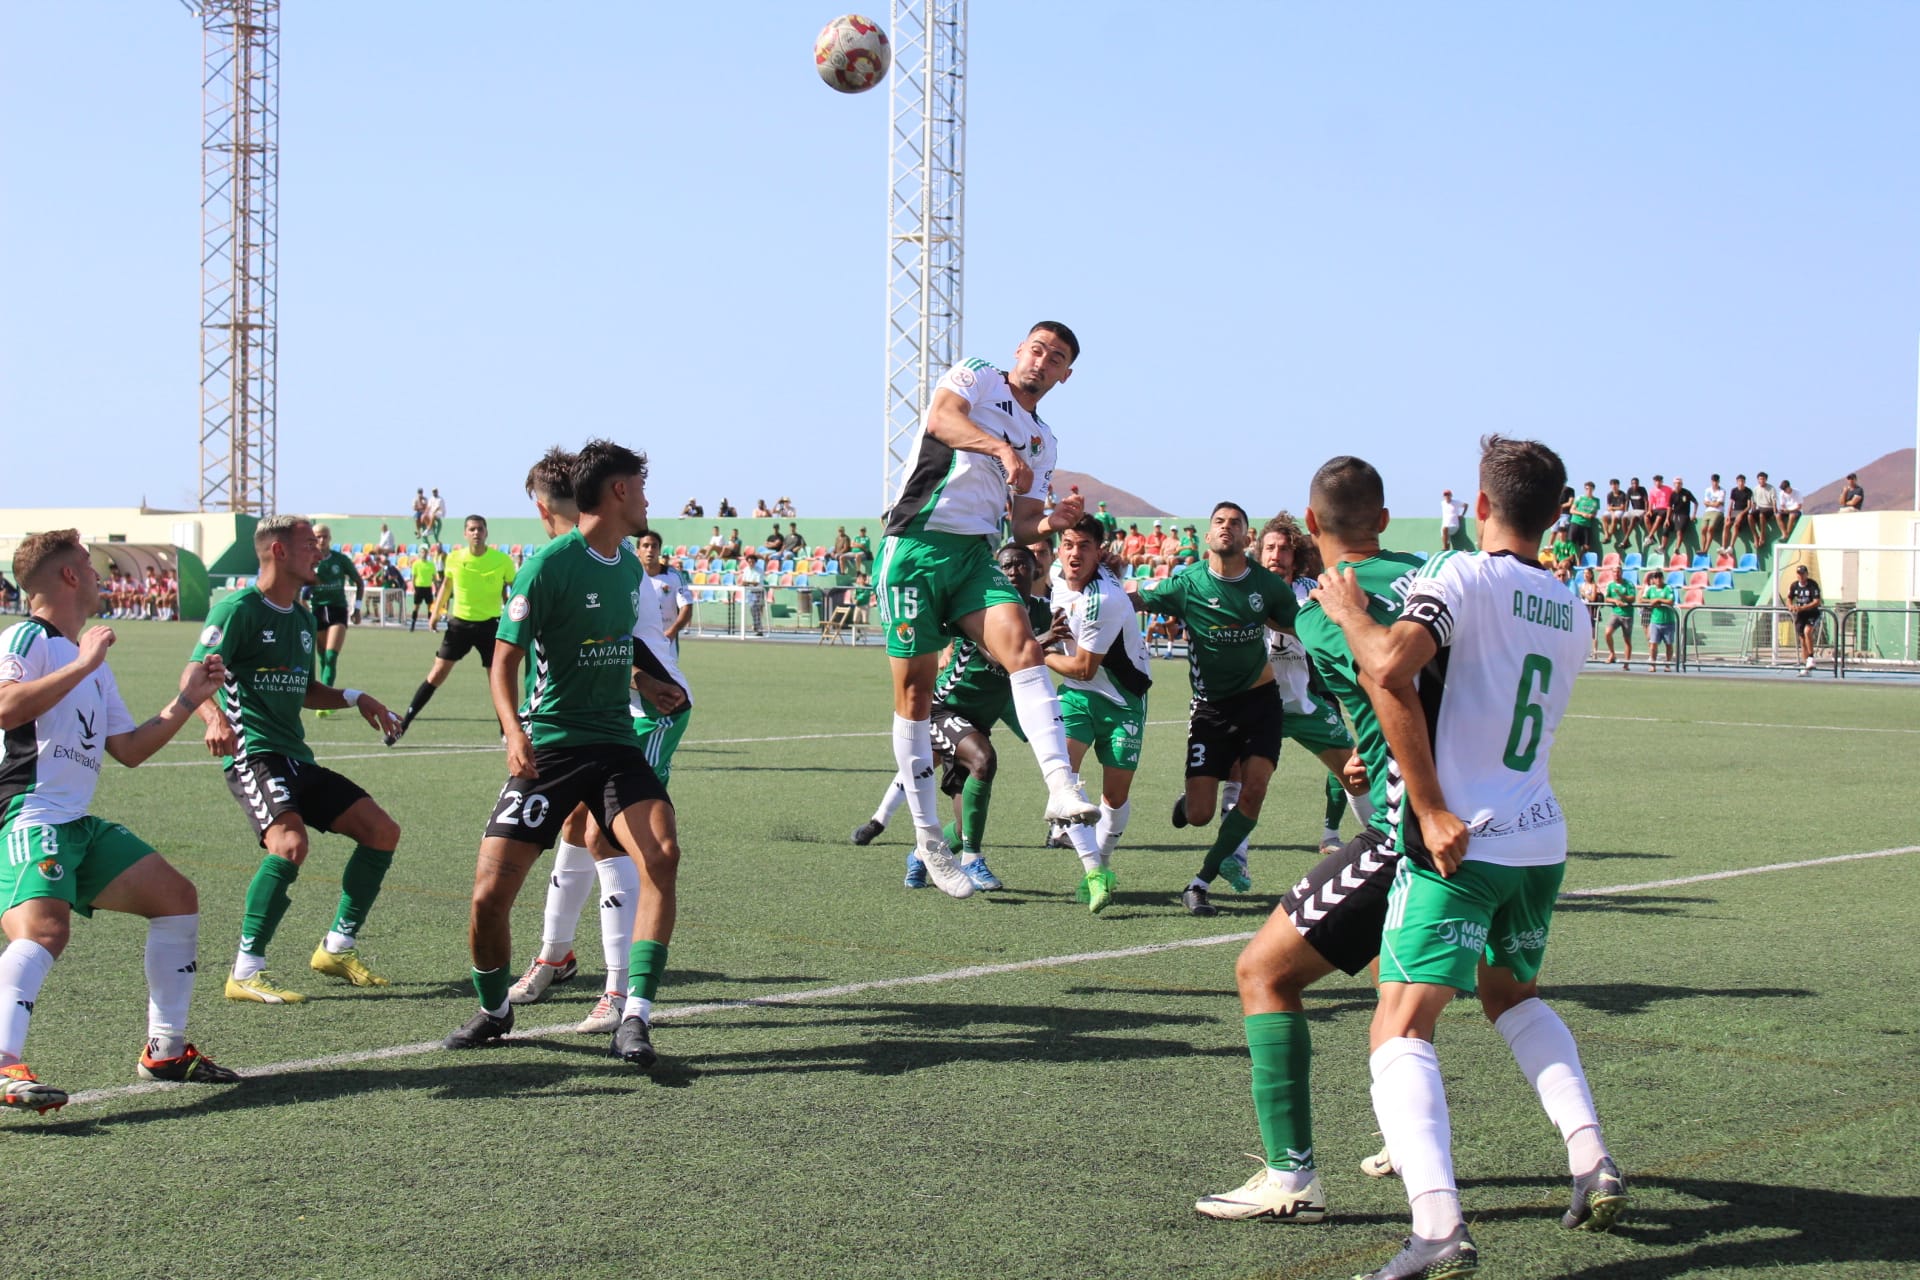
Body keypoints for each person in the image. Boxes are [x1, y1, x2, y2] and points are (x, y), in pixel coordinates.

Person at [1312, 434, 1625, 1279]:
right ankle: (1592, 1159)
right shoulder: (1573, 604)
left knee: (1397, 1024)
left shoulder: (1460, 574)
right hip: (1539, 836)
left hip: (1463, 842)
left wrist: (1347, 610)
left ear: (1480, 506)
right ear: (1557, 515)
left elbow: (1389, 666)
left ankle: (1438, 1227)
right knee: (1512, 995)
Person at [1192, 457, 1422, 1226]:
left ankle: (1293, 1177)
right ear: (1385, 520)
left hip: (1411, 827)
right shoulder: (1433, 574)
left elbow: (1386, 683)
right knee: (1451, 993)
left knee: (1262, 972)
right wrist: (1374, 744)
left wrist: (1382, 748)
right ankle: (1577, 1153)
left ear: (1311, 527)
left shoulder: (1324, 611)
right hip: (1506, 820)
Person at [445, 441, 682, 1069]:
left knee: (662, 856)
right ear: (618, 493)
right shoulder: (547, 567)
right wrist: (512, 731)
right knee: (487, 898)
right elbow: (504, 661)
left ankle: (634, 1016)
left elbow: (616, 643)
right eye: (641, 486)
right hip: (549, 746)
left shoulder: (630, 567)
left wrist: (645, 680)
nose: (650, 499)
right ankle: (494, 1010)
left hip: (614, 744)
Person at [0, 531, 243, 1114]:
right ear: (66, 577)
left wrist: (187, 700)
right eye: (89, 563)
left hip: (75, 822)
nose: (99, 573)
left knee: (177, 898)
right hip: (28, 815)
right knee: (43, 932)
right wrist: (84, 661)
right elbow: (6, 705)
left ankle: (166, 1049)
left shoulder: (93, 663)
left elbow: (129, 749)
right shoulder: (26, 636)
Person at [873, 322, 1100, 899]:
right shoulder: (975, 375)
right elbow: (940, 419)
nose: (1043, 361)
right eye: (1038, 349)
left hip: (976, 552)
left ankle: (1059, 787)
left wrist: (1055, 522)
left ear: (1065, 376)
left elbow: (1023, 523)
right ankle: (929, 840)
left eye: (1057, 359)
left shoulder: (1044, 439)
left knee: (1024, 649)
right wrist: (999, 448)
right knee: (916, 700)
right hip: (917, 544)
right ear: (1019, 351)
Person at [509, 459, 692, 1037]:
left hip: (640, 717)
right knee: (573, 827)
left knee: (604, 834)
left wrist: (643, 684)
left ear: (546, 505)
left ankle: (618, 991)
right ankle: (556, 954)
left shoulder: (609, 561)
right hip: (584, 719)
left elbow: (626, 643)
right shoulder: (563, 563)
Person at [191, 516, 405, 1003]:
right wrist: (212, 717)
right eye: (310, 545)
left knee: (381, 831)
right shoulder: (237, 610)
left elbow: (305, 689)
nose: (320, 553)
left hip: (294, 757)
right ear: (278, 552)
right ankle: (245, 971)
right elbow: (192, 680)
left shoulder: (304, 617)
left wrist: (356, 697)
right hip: (254, 753)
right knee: (289, 844)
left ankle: (337, 947)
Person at [1125, 501, 1297, 916]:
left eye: (1235, 523)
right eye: (1219, 522)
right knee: (1201, 815)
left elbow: (1298, 624)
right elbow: (1134, 598)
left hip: (1260, 702)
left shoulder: (1268, 587)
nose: (1226, 528)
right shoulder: (1187, 585)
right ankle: (1188, 803)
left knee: (1253, 791)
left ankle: (1200, 882)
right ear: (1207, 535)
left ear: (1246, 536)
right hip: (1210, 709)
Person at [854, 545, 1055, 889]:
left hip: (979, 719)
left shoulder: (1042, 611)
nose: (1013, 572)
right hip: (943, 709)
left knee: (963, 828)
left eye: (1021, 564)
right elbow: (998, 656)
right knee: (983, 759)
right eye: (1006, 565)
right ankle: (973, 862)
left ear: (1036, 570)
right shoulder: (986, 603)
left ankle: (920, 854)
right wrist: (1047, 640)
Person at [1046, 518, 1152, 912]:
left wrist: (1038, 651)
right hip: (1075, 698)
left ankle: (1104, 865)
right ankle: (1093, 872)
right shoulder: (1057, 575)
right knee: (1063, 783)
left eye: (1084, 546)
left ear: (1098, 551)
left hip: (1122, 698)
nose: (1075, 553)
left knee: (1115, 795)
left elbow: (1084, 668)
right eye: (1068, 544)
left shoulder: (1103, 599)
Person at [390, 515, 517, 742]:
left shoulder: (502, 560)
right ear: (465, 534)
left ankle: (505, 731)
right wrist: (436, 612)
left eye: (480, 529)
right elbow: (446, 586)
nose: (476, 533)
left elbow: (512, 589)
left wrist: (512, 615)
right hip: (459, 625)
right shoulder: (455, 559)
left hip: (490, 626)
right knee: (437, 674)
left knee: (497, 679)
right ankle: (403, 725)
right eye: (471, 529)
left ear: (486, 532)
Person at [307, 524, 364, 713]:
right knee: (322, 656)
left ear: (330, 538)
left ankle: (325, 704)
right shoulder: (308, 560)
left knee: (331, 656)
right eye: (317, 537)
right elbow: (301, 587)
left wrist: (357, 608)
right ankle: (324, 695)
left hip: (337, 610)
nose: (321, 540)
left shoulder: (340, 560)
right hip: (317, 611)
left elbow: (359, 581)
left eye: (325, 536)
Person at [639, 531, 694, 653]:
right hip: (638, 642)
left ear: (659, 550)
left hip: (667, 644)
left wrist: (672, 632)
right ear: (638, 551)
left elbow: (687, 607)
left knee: (666, 672)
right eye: (645, 546)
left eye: (654, 546)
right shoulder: (631, 576)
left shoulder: (674, 576)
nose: (650, 550)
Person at [1788, 563, 1822, 674]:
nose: (1801, 576)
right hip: (1801, 615)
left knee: (1807, 631)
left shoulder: (1812, 585)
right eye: (1799, 574)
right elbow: (1789, 598)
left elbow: (1816, 601)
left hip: (1812, 613)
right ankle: (1806, 666)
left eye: (1803, 574)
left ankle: (1811, 658)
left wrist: (1803, 607)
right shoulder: (1794, 586)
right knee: (1802, 640)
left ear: (1806, 574)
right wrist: (1790, 606)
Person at [1640, 568, 1677, 672]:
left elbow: (1670, 600)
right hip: (1655, 621)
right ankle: (1653, 664)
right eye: (1656, 577)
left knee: (1668, 644)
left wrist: (1659, 600)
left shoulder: (1668, 588)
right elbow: (1642, 599)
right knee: (1653, 644)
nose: (1658, 579)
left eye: (1660, 576)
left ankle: (1668, 664)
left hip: (1668, 621)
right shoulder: (1651, 589)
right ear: (1653, 579)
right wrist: (1651, 601)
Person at [1602, 567, 1637, 668]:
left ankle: (1626, 663)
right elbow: (1607, 598)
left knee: (1626, 639)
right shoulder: (1611, 585)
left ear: (1621, 573)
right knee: (1607, 633)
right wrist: (1615, 601)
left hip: (1627, 614)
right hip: (1616, 613)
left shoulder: (1628, 584)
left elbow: (1632, 598)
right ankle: (1612, 653)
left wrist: (1622, 596)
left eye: (1618, 572)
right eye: (1614, 572)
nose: (1616, 574)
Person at [1665, 476, 1697, 557]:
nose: (1677, 485)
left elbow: (1696, 503)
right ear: (1674, 484)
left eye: (1679, 483)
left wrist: (1694, 515)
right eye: (1676, 483)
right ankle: (1662, 547)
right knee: (1666, 528)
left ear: (1682, 484)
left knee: (1679, 531)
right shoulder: (1672, 494)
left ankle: (1677, 548)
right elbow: (1669, 507)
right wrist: (1667, 519)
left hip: (1684, 515)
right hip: (1674, 515)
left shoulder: (1687, 493)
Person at [407, 548, 437, 631]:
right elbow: (413, 577)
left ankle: (431, 626)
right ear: (420, 554)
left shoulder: (431, 564)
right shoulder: (416, 564)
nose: (423, 554)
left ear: (427, 554)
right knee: (416, 607)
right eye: (422, 552)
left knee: (430, 607)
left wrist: (437, 587)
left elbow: (434, 577)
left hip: (427, 587)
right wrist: (413, 587)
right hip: (419, 587)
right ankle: (412, 625)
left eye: (425, 552)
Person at [1569, 482, 1600, 556]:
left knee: (1586, 546)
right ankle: (1571, 560)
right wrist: (1582, 514)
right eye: (1587, 488)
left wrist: (1591, 515)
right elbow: (1572, 510)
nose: (1588, 490)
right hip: (1576, 522)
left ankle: (1581, 561)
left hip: (1586, 525)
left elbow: (1595, 513)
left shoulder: (1596, 500)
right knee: (1571, 543)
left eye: (1590, 488)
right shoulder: (1580, 498)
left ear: (1593, 489)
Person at [737, 552, 765, 633]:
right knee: (752, 610)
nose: (751, 563)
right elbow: (744, 581)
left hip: (758, 592)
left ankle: (758, 628)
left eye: (752, 562)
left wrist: (748, 582)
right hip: (750, 592)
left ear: (755, 562)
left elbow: (756, 583)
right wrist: (748, 583)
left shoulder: (759, 570)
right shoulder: (745, 570)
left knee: (756, 609)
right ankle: (757, 626)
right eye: (749, 562)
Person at [1750, 471, 1777, 552]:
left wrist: (1775, 512)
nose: (1761, 481)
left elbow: (1774, 502)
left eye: (1763, 479)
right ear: (1758, 480)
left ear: (1766, 480)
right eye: (1760, 479)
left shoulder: (1771, 488)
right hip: (1759, 508)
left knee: (1762, 515)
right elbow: (1753, 503)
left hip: (1769, 508)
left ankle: (1762, 535)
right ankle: (1755, 536)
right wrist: (1753, 511)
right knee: (1749, 516)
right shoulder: (1755, 489)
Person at [1726, 474, 1755, 550]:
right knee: (1726, 524)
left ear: (1744, 482)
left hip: (1744, 513)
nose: (1741, 483)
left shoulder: (1748, 491)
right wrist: (1728, 515)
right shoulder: (1734, 490)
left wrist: (1741, 514)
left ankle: (1731, 546)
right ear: (1737, 482)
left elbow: (1749, 506)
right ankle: (1723, 546)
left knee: (1736, 525)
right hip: (1735, 512)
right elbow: (1731, 504)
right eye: (1739, 481)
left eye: (1742, 481)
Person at [1699, 474, 1727, 553]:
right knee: (1703, 529)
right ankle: (1702, 548)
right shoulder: (1708, 490)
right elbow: (1705, 502)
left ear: (1718, 482)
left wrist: (1711, 503)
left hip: (1718, 512)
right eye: (1713, 481)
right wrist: (1713, 503)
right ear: (1711, 481)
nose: (1715, 483)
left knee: (1710, 528)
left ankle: (1706, 549)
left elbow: (1717, 504)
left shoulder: (1722, 491)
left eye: (1716, 481)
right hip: (1708, 511)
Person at [1646, 475, 1672, 551]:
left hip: (1665, 509)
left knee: (1659, 517)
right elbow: (1650, 502)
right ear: (1654, 482)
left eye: (1659, 481)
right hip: (1657, 508)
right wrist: (1649, 510)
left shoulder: (1668, 489)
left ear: (1662, 481)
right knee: (1646, 517)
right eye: (1656, 481)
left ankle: (1650, 536)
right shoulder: (1652, 490)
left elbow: (1673, 498)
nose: (1658, 483)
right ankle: (1652, 538)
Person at [1624, 477, 1649, 548]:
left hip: (1642, 510)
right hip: (1634, 510)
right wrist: (1626, 511)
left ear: (1638, 484)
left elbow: (1646, 501)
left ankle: (1625, 539)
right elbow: (1627, 502)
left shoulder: (1642, 489)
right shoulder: (1629, 490)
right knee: (1624, 518)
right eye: (1633, 484)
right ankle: (1627, 540)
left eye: (1636, 483)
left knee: (1634, 519)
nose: (1634, 485)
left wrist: (1646, 511)